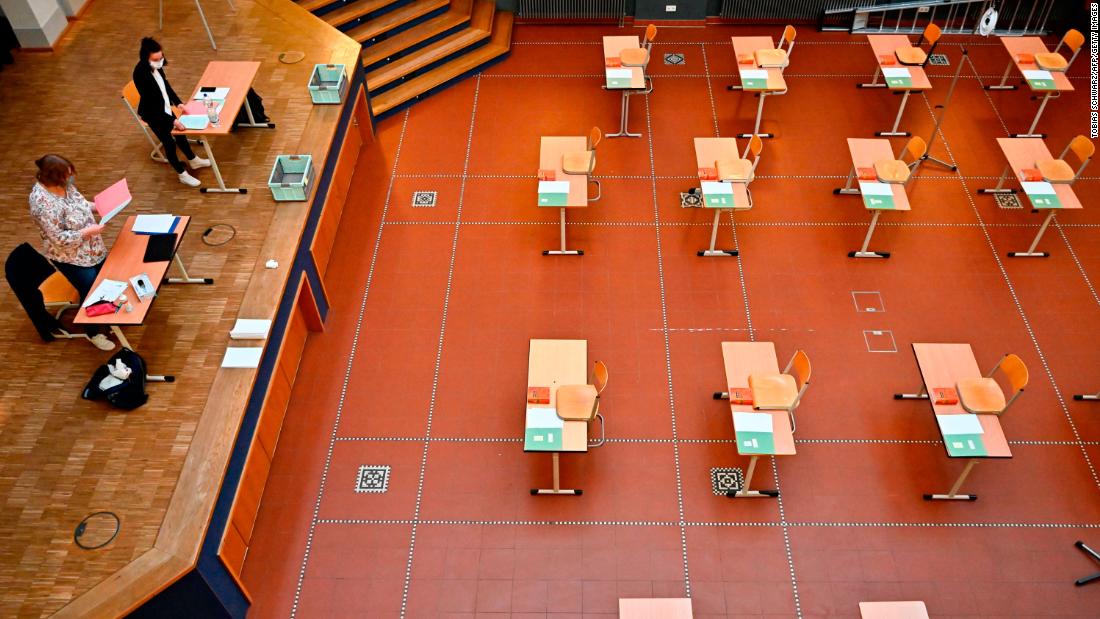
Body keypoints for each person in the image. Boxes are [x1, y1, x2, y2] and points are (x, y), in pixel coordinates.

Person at [27, 155, 116, 351]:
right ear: (55, 177)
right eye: (66, 176)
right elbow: (59, 238)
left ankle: (109, 317)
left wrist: (99, 206)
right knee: (90, 291)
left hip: (92, 249)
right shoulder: (42, 204)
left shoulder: (65, 186)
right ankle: (93, 332)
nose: (70, 179)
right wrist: (88, 231)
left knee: (105, 281)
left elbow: (81, 204)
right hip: (71, 258)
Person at [132, 37, 209, 187]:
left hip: (165, 107)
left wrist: (178, 102)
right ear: (146, 58)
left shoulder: (156, 66)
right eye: (156, 59)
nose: (160, 61)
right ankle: (182, 174)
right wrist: (172, 121)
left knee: (181, 135)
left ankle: (193, 160)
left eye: (161, 58)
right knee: (169, 143)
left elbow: (165, 86)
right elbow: (152, 104)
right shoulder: (141, 75)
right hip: (153, 114)